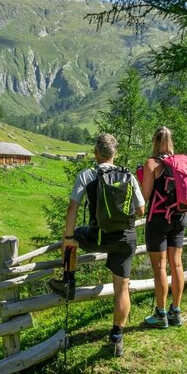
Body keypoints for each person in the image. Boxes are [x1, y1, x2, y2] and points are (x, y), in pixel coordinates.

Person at [50, 133, 145, 357]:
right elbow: (141, 210)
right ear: (115, 153)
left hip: (99, 238)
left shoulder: (87, 175)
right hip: (125, 238)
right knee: (122, 289)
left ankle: (68, 281)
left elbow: (72, 208)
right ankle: (116, 337)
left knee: (74, 239)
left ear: (95, 153)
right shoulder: (128, 175)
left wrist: (68, 238)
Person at [141, 126, 187, 328]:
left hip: (158, 219)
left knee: (160, 267)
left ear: (154, 141)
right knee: (176, 264)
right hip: (179, 217)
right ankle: (175, 311)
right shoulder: (180, 163)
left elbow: (146, 195)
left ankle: (160, 315)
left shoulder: (152, 163)